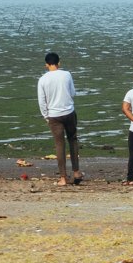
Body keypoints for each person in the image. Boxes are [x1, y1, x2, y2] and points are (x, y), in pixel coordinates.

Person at [37, 52, 83, 186]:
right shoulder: (67, 74)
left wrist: (46, 115)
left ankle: (63, 178)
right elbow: (73, 93)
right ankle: (76, 171)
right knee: (73, 140)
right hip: (68, 112)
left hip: (54, 115)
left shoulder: (43, 80)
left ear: (46, 65)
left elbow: (42, 101)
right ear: (59, 63)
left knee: (59, 145)